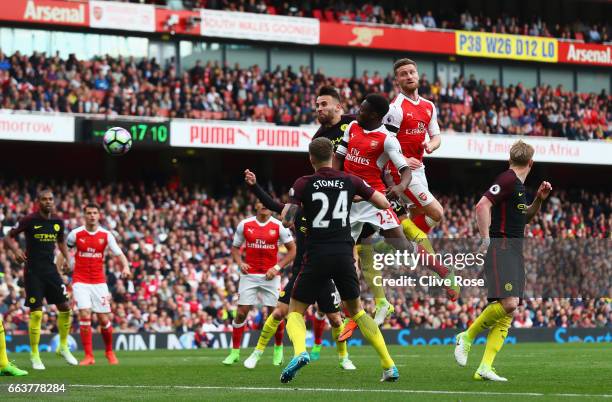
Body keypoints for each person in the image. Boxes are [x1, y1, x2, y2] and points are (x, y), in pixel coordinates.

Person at [280, 137, 399, 383]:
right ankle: (389, 365)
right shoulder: (349, 180)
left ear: (311, 158)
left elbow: (286, 219)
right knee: (356, 312)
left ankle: (301, 352)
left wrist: (296, 203)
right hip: (344, 253)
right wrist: (355, 196)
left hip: (316, 254)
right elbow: (383, 202)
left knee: (295, 310)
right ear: (333, 155)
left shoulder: (303, 183)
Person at [454, 140, 552, 381]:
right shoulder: (507, 180)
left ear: (511, 158)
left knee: (508, 311)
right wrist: (486, 239)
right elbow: (482, 205)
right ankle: (467, 336)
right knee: (509, 303)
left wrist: (539, 199)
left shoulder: (517, 186)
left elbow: (526, 217)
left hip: (514, 251)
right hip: (502, 248)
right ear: (531, 162)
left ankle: (485, 367)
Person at [243, 170, 356, 370]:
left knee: (336, 319)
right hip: (302, 272)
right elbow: (271, 205)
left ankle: (344, 357)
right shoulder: (297, 214)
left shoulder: (326, 214)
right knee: (278, 312)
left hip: (324, 272)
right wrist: (254, 186)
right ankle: (257, 352)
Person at [384, 57, 459, 299]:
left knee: (416, 218)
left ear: (418, 75)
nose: (408, 76)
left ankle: (403, 247)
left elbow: (436, 136)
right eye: (403, 74)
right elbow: (386, 144)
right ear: (397, 80)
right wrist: (404, 159)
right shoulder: (395, 108)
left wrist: (431, 145)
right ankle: (433, 263)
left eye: (411, 72)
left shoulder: (428, 106)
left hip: (420, 169)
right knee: (437, 213)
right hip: (401, 172)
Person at [3, 189, 78, 370]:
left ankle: (62, 347)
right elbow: (7, 237)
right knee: (37, 312)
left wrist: (67, 259)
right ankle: (35, 355)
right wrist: (15, 251)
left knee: (65, 308)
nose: (48, 202)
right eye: (44, 199)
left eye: (50, 199)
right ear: (38, 202)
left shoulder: (58, 222)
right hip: (33, 272)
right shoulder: (29, 220)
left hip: (51, 271)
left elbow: (61, 242)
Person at [222, 201, 296, 366]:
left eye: (267, 203)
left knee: (274, 315)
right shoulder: (245, 224)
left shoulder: (278, 226)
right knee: (241, 313)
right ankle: (234, 352)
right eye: (261, 202)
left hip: (271, 276)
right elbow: (235, 248)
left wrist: (277, 267)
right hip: (249, 275)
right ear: (255, 205)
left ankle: (278, 349)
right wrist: (240, 262)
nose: (264, 205)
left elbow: (293, 250)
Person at [57, 203, 131, 365]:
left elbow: (119, 253)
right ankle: (89, 356)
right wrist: (57, 270)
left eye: (95, 213)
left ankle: (109, 351)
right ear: (84, 215)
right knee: (84, 314)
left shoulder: (106, 235)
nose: (92, 215)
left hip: (99, 281)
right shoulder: (75, 234)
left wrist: (125, 266)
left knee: (103, 319)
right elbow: (63, 251)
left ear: (99, 215)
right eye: (89, 213)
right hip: (80, 280)